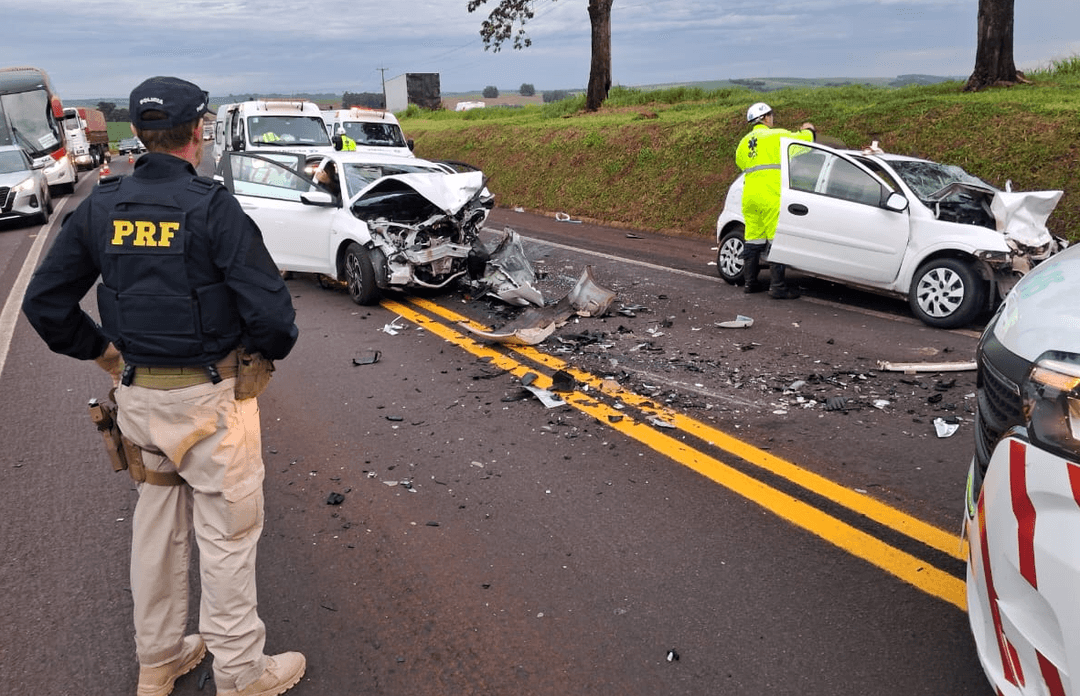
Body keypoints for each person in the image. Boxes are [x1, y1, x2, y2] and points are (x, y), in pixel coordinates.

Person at [22, 76, 305, 696]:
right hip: (211, 403)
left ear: (137, 135)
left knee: (156, 527)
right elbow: (274, 318)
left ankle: (159, 662)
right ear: (198, 133)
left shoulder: (102, 205)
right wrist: (258, 359)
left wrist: (101, 351)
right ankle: (240, 673)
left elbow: (45, 304)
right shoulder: (212, 207)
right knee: (227, 536)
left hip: (139, 401)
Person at [734, 102, 816, 299]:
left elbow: (740, 162)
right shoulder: (775, 135)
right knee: (776, 240)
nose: (773, 118)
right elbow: (803, 142)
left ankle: (750, 284)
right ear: (764, 118)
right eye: (770, 115)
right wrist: (809, 130)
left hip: (750, 197)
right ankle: (777, 287)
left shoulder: (744, 142)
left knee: (753, 240)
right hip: (771, 196)